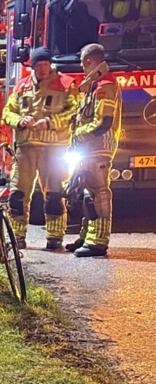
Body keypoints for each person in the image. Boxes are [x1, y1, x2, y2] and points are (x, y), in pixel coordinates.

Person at [1, 47, 80, 251]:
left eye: (46, 64)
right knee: (18, 194)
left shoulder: (65, 84)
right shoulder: (22, 86)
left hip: (54, 149)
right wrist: (20, 120)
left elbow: (74, 112)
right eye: (39, 65)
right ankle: (17, 236)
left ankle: (55, 236)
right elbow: (7, 112)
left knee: (54, 194)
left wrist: (51, 121)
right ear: (33, 66)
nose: (43, 68)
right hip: (26, 149)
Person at [66, 42, 121, 257]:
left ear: (90, 61)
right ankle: (87, 236)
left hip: (99, 146)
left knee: (98, 193)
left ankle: (98, 242)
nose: (81, 68)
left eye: (82, 64)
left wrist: (78, 134)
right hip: (90, 147)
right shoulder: (94, 84)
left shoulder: (104, 85)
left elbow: (103, 122)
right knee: (88, 192)